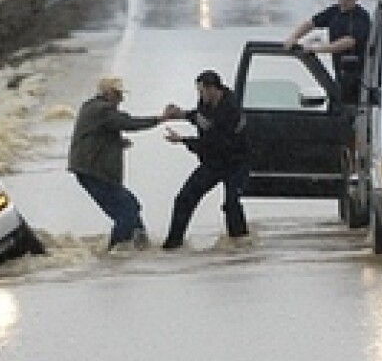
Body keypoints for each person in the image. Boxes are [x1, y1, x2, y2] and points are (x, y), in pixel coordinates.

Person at [68, 76, 173, 251]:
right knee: (127, 212)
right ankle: (114, 254)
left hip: (91, 171)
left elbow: (97, 134)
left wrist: (117, 143)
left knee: (130, 207)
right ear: (108, 93)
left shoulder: (91, 107)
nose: (121, 99)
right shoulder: (103, 110)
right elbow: (128, 123)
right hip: (94, 172)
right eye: (118, 94)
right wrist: (160, 119)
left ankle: (140, 247)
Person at [162, 70, 250, 250]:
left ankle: (241, 245)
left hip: (236, 162)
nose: (199, 95)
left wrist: (183, 141)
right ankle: (172, 245)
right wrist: (182, 114)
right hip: (213, 163)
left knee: (231, 204)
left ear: (212, 89)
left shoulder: (231, 109)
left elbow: (214, 142)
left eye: (201, 91)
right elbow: (202, 119)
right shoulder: (205, 102)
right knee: (184, 198)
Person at [283, 0, 372, 88]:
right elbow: (311, 23)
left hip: (359, 76)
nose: (344, 0)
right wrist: (293, 37)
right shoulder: (334, 12)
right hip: (339, 73)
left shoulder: (361, 17)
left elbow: (349, 41)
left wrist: (317, 49)